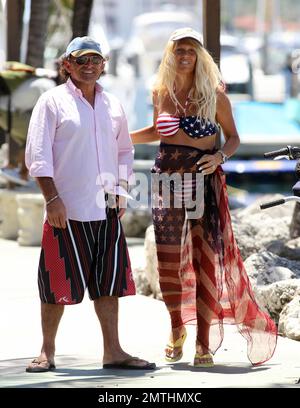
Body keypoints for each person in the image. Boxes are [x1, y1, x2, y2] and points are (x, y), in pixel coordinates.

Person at [130, 27, 277, 367]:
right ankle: (177, 327)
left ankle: (203, 342)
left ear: (199, 56)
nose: (184, 55)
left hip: (203, 180)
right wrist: (120, 134)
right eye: (178, 49)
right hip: (165, 179)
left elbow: (234, 137)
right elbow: (157, 131)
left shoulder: (215, 95)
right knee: (168, 261)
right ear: (170, 54)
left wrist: (220, 157)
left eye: (191, 50)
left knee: (205, 260)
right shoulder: (160, 92)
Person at [25, 36, 155, 372]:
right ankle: (46, 351)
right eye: (81, 60)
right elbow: (37, 156)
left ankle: (113, 351)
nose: (89, 66)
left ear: (103, 65)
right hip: (65, 210)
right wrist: (52, 199)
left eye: (95, 60)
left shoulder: (113, 104)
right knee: (56, 283)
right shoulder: (52, 102)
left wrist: (122, 189)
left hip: (106, 208)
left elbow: (125, 150)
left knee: (108, 284)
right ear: (66, 65)